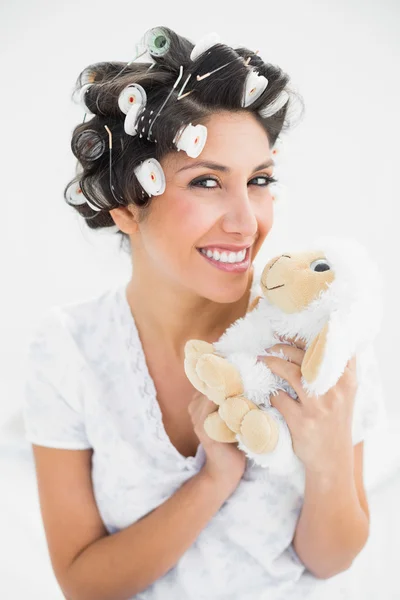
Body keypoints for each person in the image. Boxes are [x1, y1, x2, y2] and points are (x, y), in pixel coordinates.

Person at [23, 26, 386, 600]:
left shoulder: (314, 331)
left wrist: (328, 457)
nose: (247, 222)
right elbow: (83, 582)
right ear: (126, 207)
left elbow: (332, 559)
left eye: (260, 180)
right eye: (208, 181)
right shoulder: (70, 348)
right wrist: (214, 480)